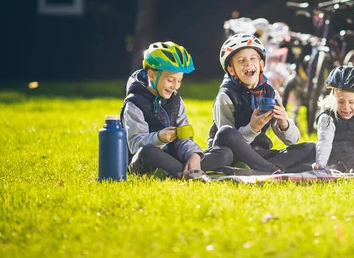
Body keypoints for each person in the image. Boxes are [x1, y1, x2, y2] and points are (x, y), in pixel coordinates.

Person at [120, 41, 232, 179]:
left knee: (225, 153)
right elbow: (135, 145)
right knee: (148, 151)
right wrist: (159, 138)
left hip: (174, 158)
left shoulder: (176, 100)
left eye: (179, 80)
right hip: (144, 159)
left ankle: (183, 170)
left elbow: (184, 138)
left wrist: (194, 155)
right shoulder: (134, 103)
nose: (175, 86)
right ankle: (190, 172)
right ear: (152, 75)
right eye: (171, 80)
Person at [206, 33, 315, 174]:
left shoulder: (271, 94)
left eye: (253, 59)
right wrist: (252, 128)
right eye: (241, 61)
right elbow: (227, 140)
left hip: (259, 154)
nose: (248, 64)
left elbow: (293, 141)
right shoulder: (225, 97)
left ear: (261, 64)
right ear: (231, 69)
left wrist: (284, 123)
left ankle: (256, 168)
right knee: (226, 132)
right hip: (231, 154)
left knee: (311, 148)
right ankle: (272, 169)